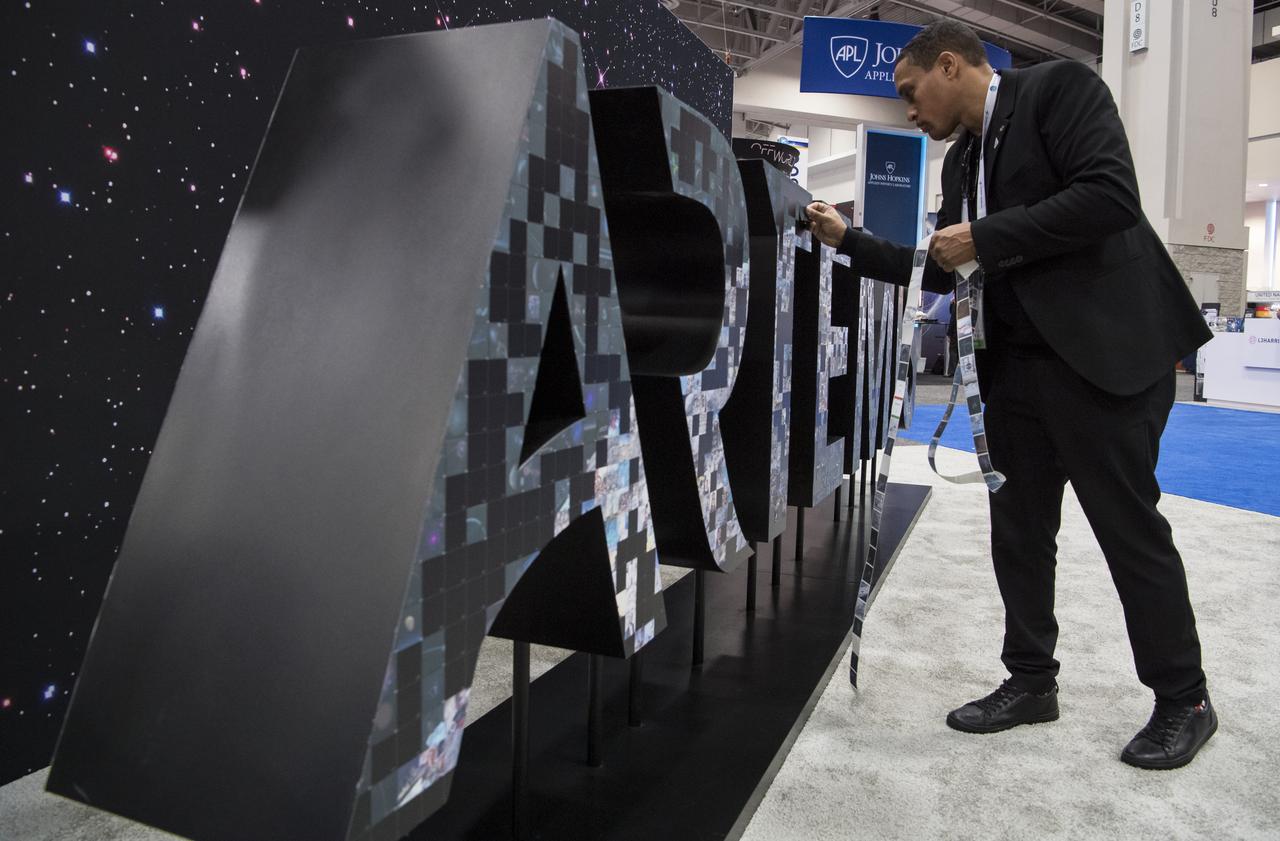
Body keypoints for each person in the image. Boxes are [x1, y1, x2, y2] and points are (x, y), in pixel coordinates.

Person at [805, 20, 1216, 770]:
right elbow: (946, 266)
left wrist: (987, 238)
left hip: (1105, 360)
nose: (907, 112)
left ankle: (1183, 697)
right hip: (1018, 371)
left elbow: (1109, 197)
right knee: (1019, 534)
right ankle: (1031, 680)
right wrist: (850, 243)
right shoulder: (962, 162)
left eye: (908, 92)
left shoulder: (1061, 89)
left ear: (951, 65)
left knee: (1129, 531)